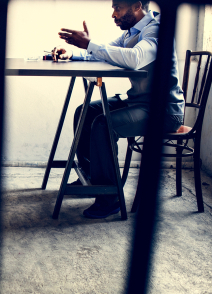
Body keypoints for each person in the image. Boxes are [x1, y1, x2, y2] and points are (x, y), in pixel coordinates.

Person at [51, 0, 185, 218]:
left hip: (164, 111)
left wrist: (90, 44)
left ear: (136, 6)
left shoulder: (157, 30)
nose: (113, 14)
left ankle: (109, 198)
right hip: (140, 102)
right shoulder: (131, 33)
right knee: (85, 111)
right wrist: (73, 55)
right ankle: (92, 178)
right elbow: (105, 53)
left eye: (117, 8)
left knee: (104, 125)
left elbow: (134, 58)